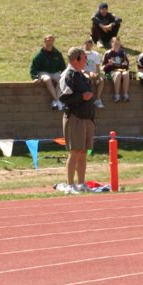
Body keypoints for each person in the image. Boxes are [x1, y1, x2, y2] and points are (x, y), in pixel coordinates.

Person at [59, 47, 95, 195]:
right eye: (84, 58)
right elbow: (63, 97)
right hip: (75, 117)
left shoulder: (81, 74)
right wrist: (82, 97)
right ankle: (70, 185)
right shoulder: (68, 75)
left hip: (86, 118)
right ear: (76, 59)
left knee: (83, 152)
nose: (86, 60)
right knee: (74, 152)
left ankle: (81, 183)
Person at [30, 34, 67, 111]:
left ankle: (55, 101)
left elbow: (63, 67)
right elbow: (33, 67)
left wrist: (65, 75)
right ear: (44, 41)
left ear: (53, 41)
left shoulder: (57, 53)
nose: (49, 42)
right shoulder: (39, 54)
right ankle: (58, 101)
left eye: (51, 40)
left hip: (55, 72)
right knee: (47, 79)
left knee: (62, 80)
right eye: (48, 40)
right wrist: (35, 77)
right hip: (43, 72)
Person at [102, 37, 130, 103]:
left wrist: (125, 64)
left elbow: (127, 66)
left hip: (121, 70)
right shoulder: (108, 53)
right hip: (111, 72)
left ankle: (125, 95)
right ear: (111, 44)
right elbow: (103, 68)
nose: (117, 46)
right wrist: (109, 64)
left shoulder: (123, 53)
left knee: (126, 73)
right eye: (115, 44)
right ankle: (116, 95)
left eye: (118, 44)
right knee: (118, 74)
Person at [83, 37, 105, 108]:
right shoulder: (80, 54)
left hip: (93, 73)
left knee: (101, 81)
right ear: (84, 45)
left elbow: (97, 67)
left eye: (90, 45)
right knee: (88, 80)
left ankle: (98, 100)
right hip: (83, 72)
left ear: (92, 46)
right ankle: (88, 100)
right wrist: (87, 72)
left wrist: (97, 74)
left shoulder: (96, 54)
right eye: (87, 45)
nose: (88, 47)